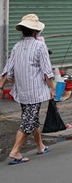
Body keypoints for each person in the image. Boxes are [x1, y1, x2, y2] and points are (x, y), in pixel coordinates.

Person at [0, 14, 55, 164]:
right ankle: (15, 151)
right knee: (28, 121)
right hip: (35, 91)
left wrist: (1, 85)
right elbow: (47, 71)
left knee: (31, 118)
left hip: (22, 91)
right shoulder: (40, 45)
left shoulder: (17, 46)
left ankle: (40, 146)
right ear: (35, 31)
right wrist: (53, 88)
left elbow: (8, 69)